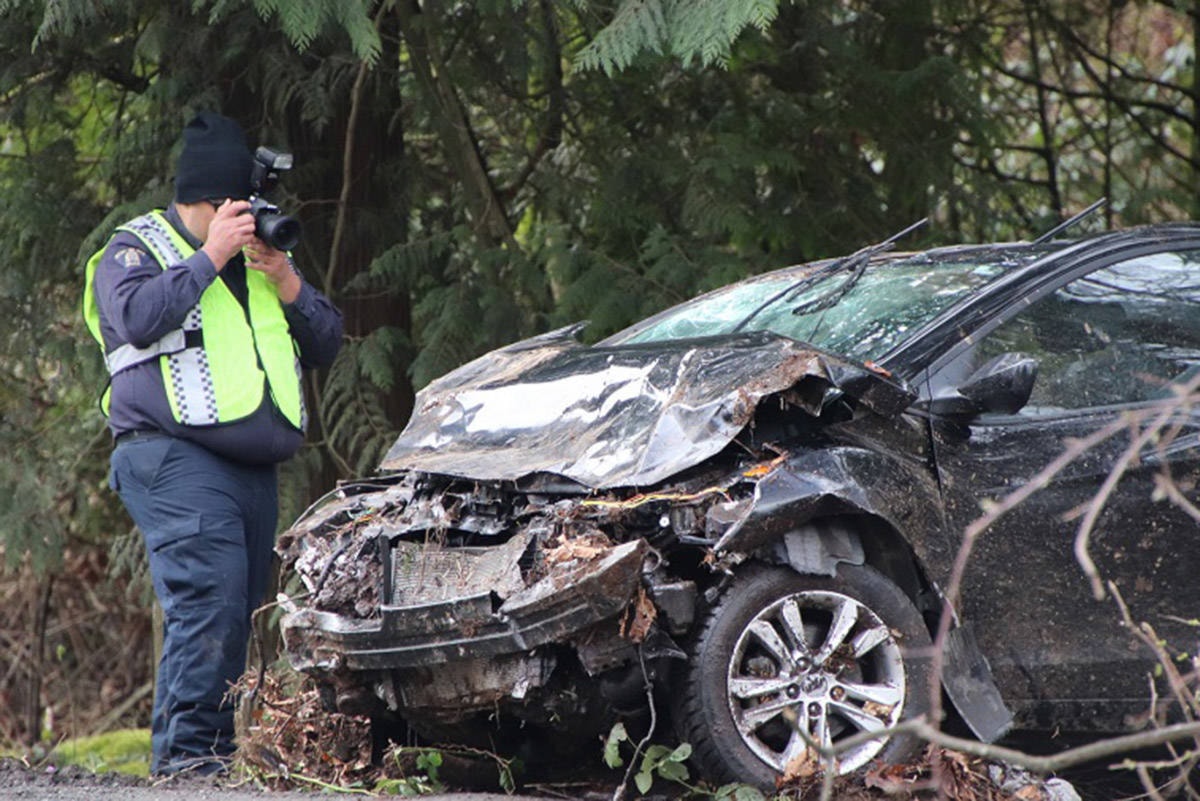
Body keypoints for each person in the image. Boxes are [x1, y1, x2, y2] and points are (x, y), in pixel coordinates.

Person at [82, 111, 343, 775]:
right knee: (211, 603)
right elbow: (137, 319)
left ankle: (206, 762)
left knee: (237, 614)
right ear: (201, 201)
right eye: (233, 208)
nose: (245, 221)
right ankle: (189, 768)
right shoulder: (135, 249)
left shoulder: (258, 262)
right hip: (169, 456)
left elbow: (326, 342)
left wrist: (286, 280)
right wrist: (211, 256)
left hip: (251, 469)